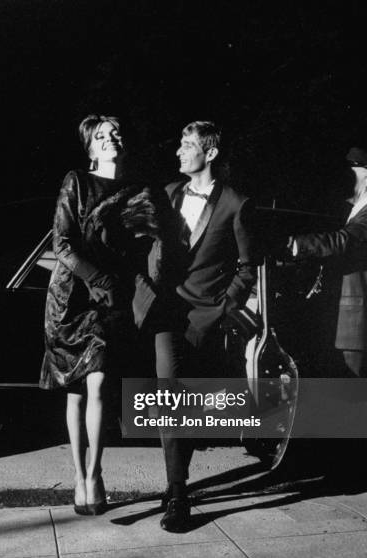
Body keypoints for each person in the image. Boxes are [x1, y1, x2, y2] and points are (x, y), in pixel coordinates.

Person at [40, 114, 179, 515]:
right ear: (90, 146)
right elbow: (62, 243)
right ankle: (78, 478)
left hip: (112, 300)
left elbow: (151, 246)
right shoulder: (77, 182)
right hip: (71, 298)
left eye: (115, 133)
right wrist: (98, 278)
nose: (110, 139)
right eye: (100, 136)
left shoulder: (139, 190)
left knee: (99, 384)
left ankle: (96, 473)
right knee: (75, 389)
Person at [158, 121, 259, 531]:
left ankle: (177, 483)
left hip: (205, 316)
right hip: (165, 313)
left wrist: (222, 306)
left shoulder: (236, 203)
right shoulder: (167, 195)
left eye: (188, 145)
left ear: (210, 153)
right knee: (168, 397)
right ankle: (177, 492)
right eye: (180, 143)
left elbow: (248, 266)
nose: (180, 151)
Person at [290, 146, 367, 377]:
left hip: (356, 329)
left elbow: (343, 241)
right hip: (344, 325)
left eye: (351, 170)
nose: (343, 177)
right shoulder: (355, 210)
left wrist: (295, 245)